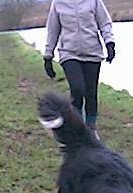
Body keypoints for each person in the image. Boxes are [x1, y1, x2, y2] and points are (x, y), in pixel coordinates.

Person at [43, 0, 116, 139]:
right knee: (77, 89)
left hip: (92, 52)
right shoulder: (58, 3)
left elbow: (104, 22)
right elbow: (52, 30)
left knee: (91, 92)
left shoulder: (94, 1)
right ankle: (76, 126)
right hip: (69, 53)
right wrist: (48, 56)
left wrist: (109, 43)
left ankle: (90, 128)